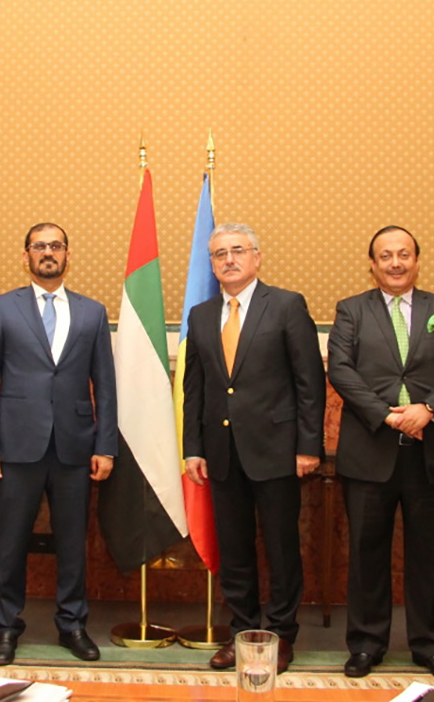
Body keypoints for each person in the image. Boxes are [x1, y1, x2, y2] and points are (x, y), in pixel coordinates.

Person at [327, 226, 434, 681]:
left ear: (417, 260)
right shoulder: (351, 310)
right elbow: (341, 370)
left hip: (428, 452)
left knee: (428, 555)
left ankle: (429, 645)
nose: (395, 263)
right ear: (372, 264)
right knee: (366, 553)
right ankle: (366, 644)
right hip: (369, 450)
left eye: (404, 254)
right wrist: (387, 416)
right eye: (386, 256)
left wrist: (428, 409)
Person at [182, 222, 325, 672]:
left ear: (257, 257)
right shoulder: (201, 315)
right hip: (222, 453)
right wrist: (193, 447)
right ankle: (242, 634)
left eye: (238, 250)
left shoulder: (286, 305)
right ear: (212, 264)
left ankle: (281, 636)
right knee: (235, 551)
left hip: (278, 451)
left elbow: (309, 382)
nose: (229, 260)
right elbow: (195, 388)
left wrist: (308, 446)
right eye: (219, 254)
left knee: (282, 549)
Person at [0, 223, 116, 666]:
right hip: (15, 446)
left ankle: (72, 624)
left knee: (73, 543)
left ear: (68, 255)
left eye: (56, 246)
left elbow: (105, 385)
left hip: (75, 447)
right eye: (39, 246)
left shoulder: (92, 312)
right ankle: (6, 627)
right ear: (26, 256)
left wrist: (106, 446)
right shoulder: (2, 308)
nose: (48, 253)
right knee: (10, 542)